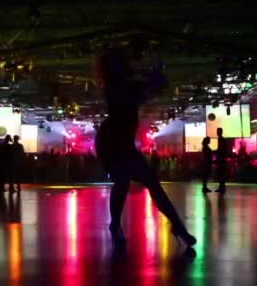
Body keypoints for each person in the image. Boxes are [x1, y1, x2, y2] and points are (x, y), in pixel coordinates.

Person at [94, 45, 196, 248]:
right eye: (118, 63)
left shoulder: (126, 82)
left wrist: (152, 75)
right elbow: (142, 92)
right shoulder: (115, 87)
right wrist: (152, 75)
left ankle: (177, 225)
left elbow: (156, 85)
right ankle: (116, 225)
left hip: (122, 141)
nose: (121, 65)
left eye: (121, 62)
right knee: (123, 180)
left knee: (150, 183)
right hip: (111, 142)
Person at [215, 127, 229, 194]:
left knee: (221, 173)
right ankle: (221, 187)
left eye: (217, 131)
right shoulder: (222, 139)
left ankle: (222, 187)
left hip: (221, 159)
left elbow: (221, 150)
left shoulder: (221, 140)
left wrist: (216, 152)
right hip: (222, 159)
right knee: (221, 173)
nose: (217, 132)